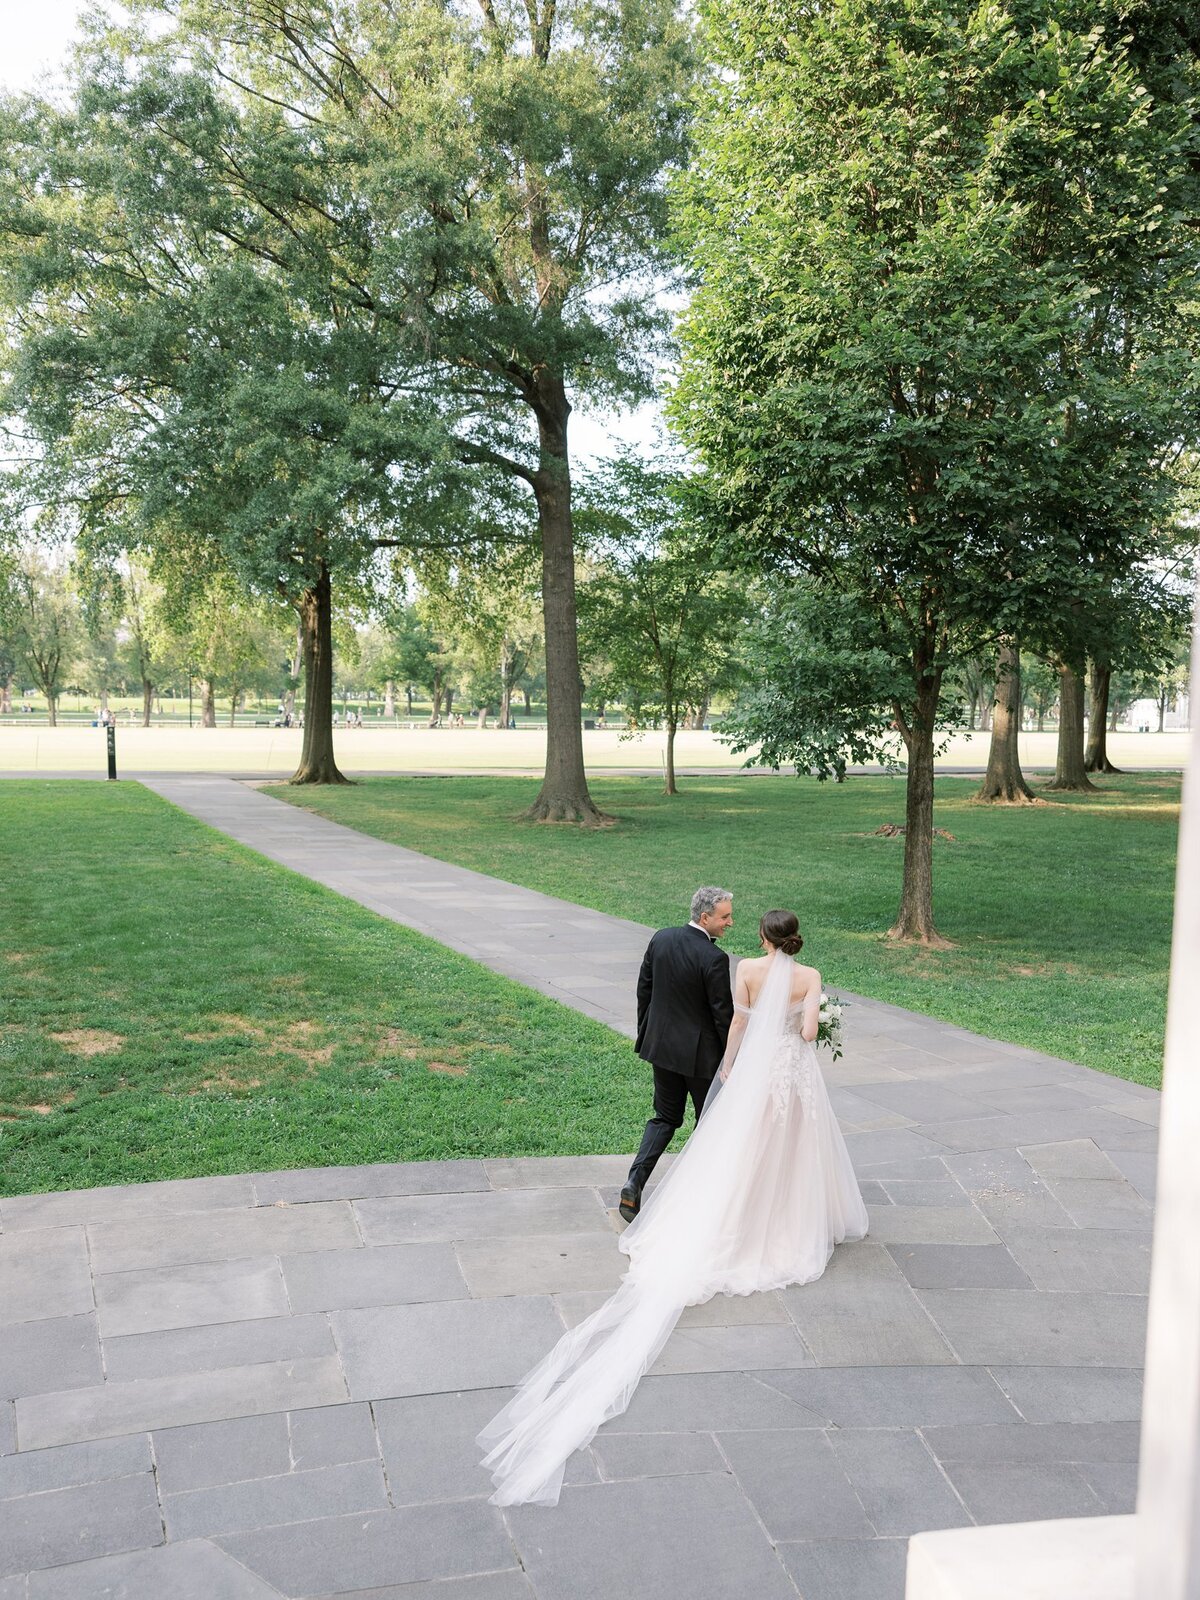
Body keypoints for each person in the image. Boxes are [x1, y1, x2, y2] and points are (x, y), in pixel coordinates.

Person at [477, 907, 869, 1508]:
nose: (732, 923)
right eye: (725, 913)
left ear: (762, 938)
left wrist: (731, 1067)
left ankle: (650, 1190)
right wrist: (810, 1020)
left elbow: (730, 1022)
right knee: (790, 1150)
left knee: (719, 1143)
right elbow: (810, 1034)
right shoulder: (807, 974)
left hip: (717, 1062)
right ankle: (786, 1218)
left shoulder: (728, 962)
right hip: (791, 1075)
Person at [619, 886, 736, 1223]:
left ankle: (634, 1182)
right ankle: (698, 1197)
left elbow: (645, 989)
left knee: (665, 1117)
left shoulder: (661, 938)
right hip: (702, 1060)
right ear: (705, 917)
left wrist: (648, 1033)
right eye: (725, 916)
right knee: (710, 1123)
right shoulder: (714, 958)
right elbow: (722, 1016)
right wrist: (732, 1059)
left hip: (663, 1049)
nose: (730, 922)